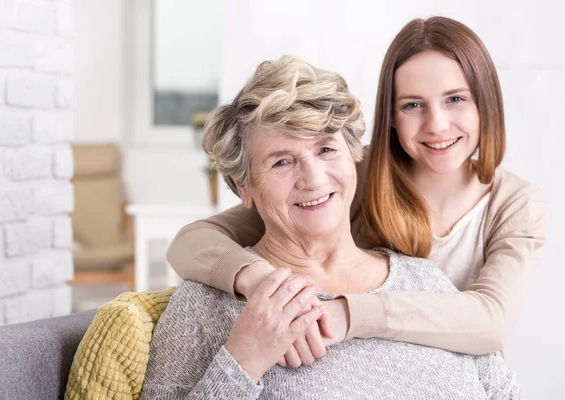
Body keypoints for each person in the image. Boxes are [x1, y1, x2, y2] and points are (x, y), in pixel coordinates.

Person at [165, 16, 548, 365]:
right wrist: (259, 279)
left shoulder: (514, 204)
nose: (438, 124)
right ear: (391, 117)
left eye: (456, 99)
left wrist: (347, 313)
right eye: (412, 104)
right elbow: (192, 241)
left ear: (486, 103)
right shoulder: (350, 176)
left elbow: (492, 320)